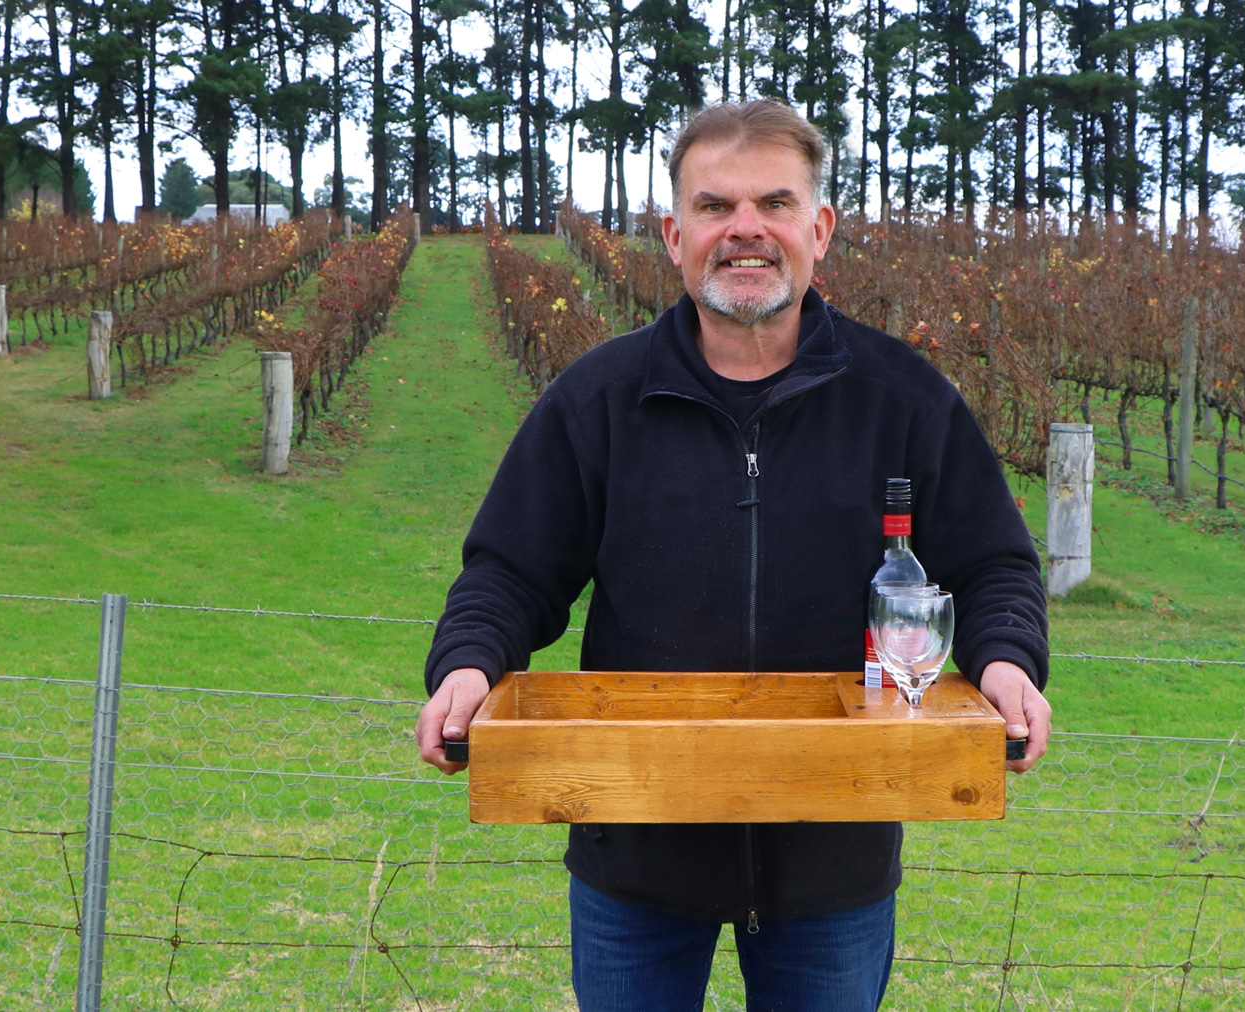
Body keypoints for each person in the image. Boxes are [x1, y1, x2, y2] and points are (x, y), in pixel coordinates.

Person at [416, 99, 1052, 1012]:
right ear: (675, 235)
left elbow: (993, 564)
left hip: (833, 853)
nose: (745, 229)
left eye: (774, 204)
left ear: (819, 230)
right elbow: (510, 571)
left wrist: (1007, 663)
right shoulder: (599, 399)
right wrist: (467, 666)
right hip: (632, 847)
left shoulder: (904, 399)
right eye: (715, 206)